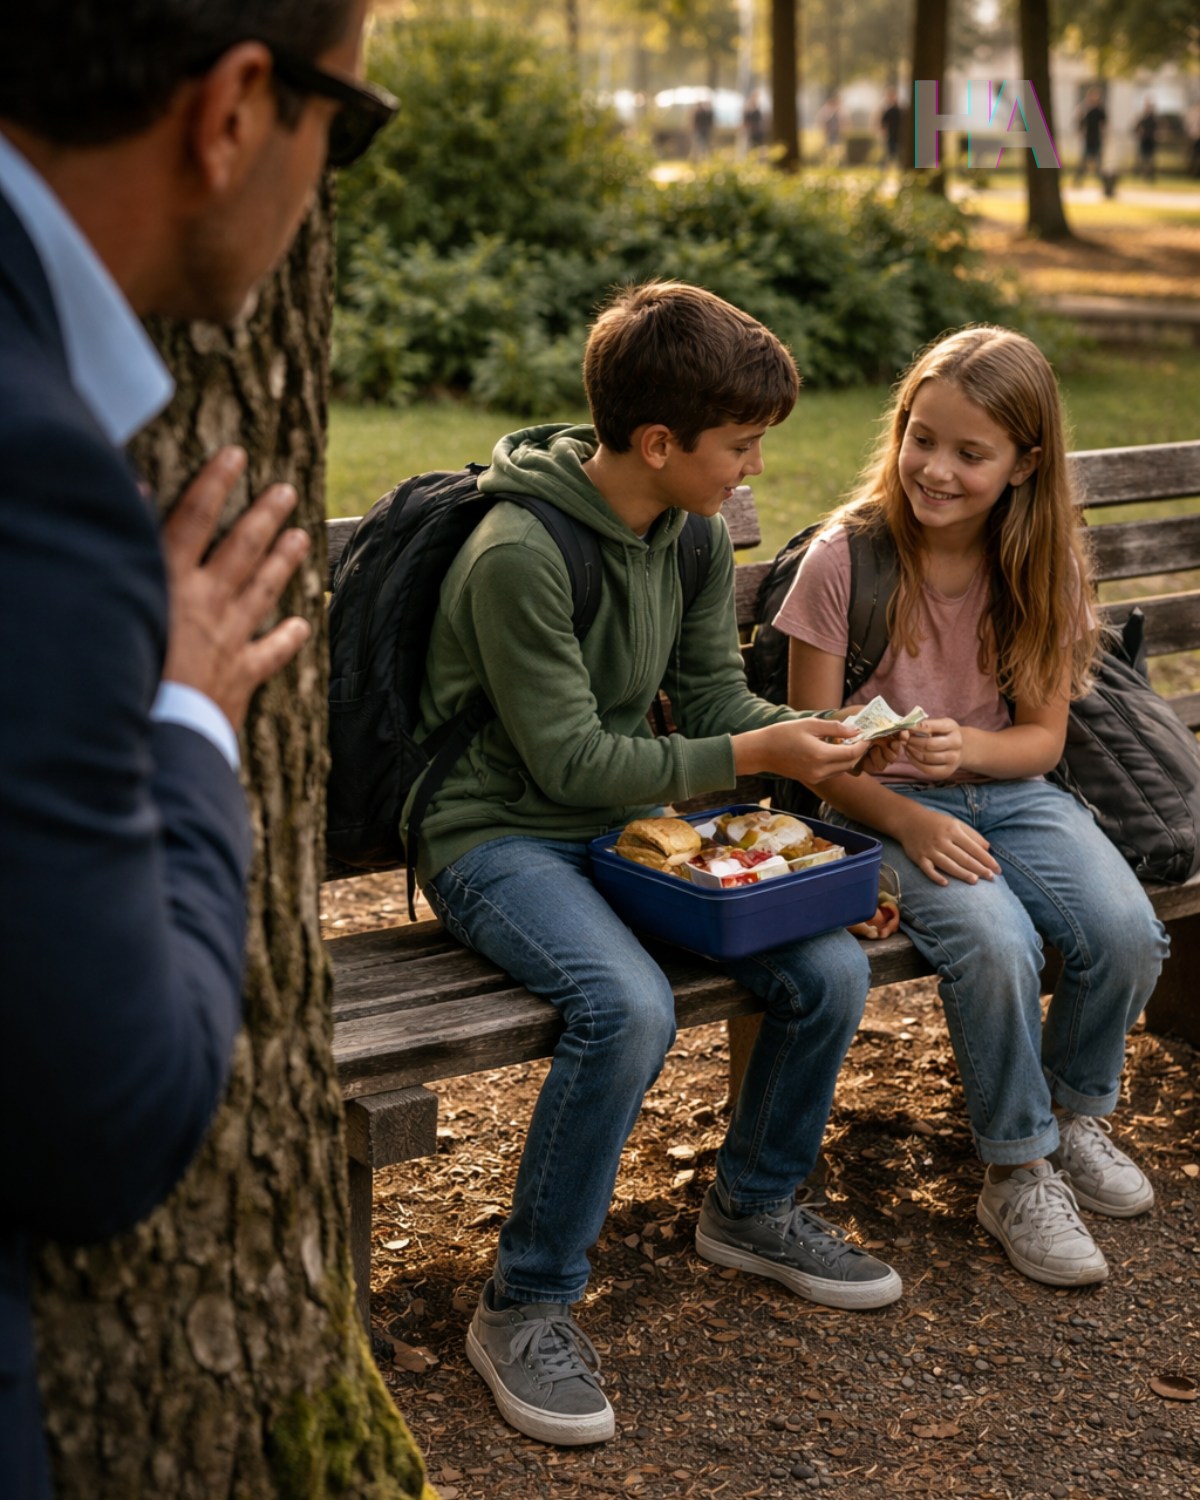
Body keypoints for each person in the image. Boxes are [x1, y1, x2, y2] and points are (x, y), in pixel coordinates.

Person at [0, 2, 395, 1494]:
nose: (327, 175)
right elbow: (106, 1126)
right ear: (234, 109)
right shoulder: (38, 471)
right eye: (342, 125)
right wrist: (185, 715)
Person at [410, 280, 904, 1447]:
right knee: (625, 1007)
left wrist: (819, 739)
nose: (754, 473)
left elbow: (719, 696)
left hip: (624, 824)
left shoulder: (686, 533)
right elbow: (572, 760)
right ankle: (524, 1303)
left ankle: (754, 1208)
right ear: (657, 442)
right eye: (741, 448)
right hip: (497, 836)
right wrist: (753, 749)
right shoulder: (516, 555)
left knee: (826, 972)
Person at [778, 326, 1169, 1292]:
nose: (935, 469)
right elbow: (810, 752)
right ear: (899, 427)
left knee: (1126, 933)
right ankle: (1016, 1168)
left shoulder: (1043, 568)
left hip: (1015, 794)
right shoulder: (844, 561)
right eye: (922, 437)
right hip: (877, 811)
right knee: (992, 945)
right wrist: (910, 817)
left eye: (970, 452)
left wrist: (972, 752)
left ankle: (1073, 1119)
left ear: (1025, 463)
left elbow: (1039, 742)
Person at [1074, 87, 1108, 186]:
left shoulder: (1100, 110)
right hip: (1088, 138)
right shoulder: (1085, 110)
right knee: (1083, 161)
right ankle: (1078, 181)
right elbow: (1080, 123)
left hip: (1097, 138)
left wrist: (1104, 135)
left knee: (1098, 162)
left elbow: (1104, 124)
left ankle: (1104, 183)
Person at [1135, 97, 1158, 182]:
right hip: (1144, 140)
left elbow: (1156, 129)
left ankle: (1150, 175)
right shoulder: (1143, 118)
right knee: (1144, 159)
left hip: (1151, 140)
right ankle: (1144, 174)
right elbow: (1136, 127)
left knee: (1151, 159)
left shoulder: (1153, 118)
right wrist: (1140, 132)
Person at [880, 88, 903, 169]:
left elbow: (883, 123)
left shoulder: (897, 110)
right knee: (892, 153)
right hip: (893, 135)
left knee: (893, 153)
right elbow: (883, 123)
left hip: (897, 135)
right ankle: (890, 168)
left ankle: (889, 168)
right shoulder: (891, 110)